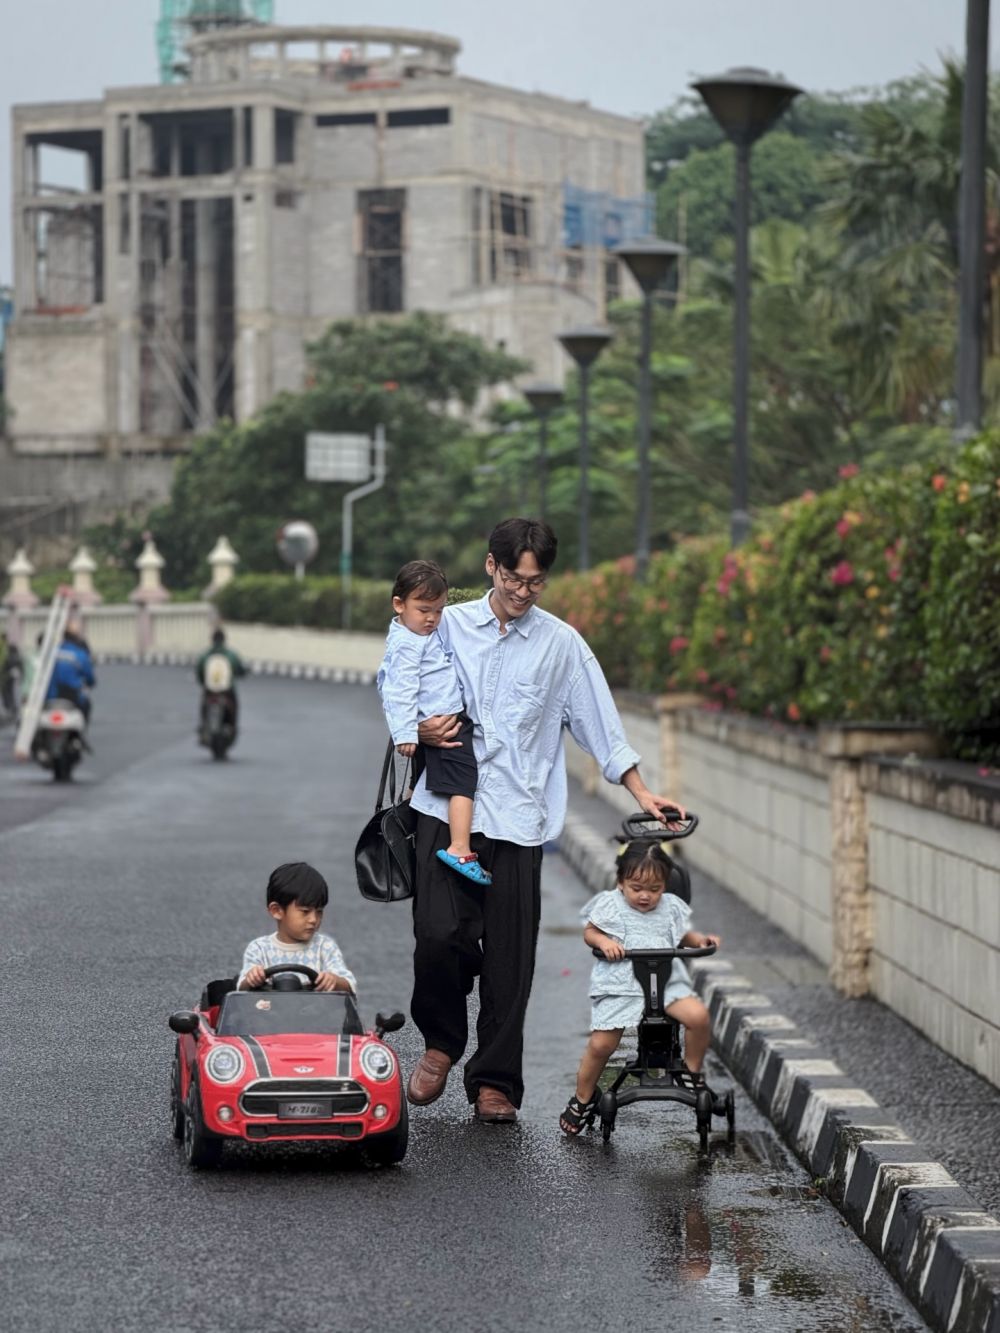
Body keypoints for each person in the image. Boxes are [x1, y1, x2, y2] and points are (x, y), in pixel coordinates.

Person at [405, 517, 685, 1125]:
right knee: (438, 935)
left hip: (519, 819)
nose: (523, 591)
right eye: (513, 578)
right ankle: (442, 1041)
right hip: (445, 807)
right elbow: (397, 677)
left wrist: (641, 792)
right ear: (491, 567)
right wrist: (415, 727)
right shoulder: (446, 626)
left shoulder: (563, 646)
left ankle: (494, 1080)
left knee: (510, 960)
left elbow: (600, 726)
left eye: (535, 582)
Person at [558, 837, 720, 1136]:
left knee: (698, 1017)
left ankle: (691, 1070)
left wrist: (700, 941)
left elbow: (683, 934)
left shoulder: (670, 907)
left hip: (665, 983)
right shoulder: (610, 904)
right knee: (601, 1044)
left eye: (654, 889)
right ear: (621, 882)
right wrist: (603, 941)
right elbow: (590, 932)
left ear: (664, 885)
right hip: (622, 983)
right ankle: (583, 1097)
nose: (645, 896)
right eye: (637, 888)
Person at [377, 559, 490, 886]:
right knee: (464, 781)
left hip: (439, 721)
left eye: (439, 611)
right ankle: (460, 848)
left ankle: (413, 815)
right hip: (445, 728)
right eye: (424, 610)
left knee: (421, 783)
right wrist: (405, 733)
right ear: (399, 604)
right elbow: (398, 690)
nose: (432, 618)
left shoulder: (415, 634)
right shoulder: (406, 644)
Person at [238, 861, 357, 993]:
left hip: (316, 1006)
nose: (313, 919)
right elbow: (242, 990)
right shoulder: (259, 949)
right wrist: (252, 979)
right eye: (305, 912)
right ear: (277, 911)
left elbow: (349, 986)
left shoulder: (325, 947)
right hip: (270, 1006)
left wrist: (334, 981)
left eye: (319, 912)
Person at [196, 627, 246, 733]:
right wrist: (242, 673)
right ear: (224, 640)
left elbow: (199, 671)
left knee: (204, 703)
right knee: (234, 705)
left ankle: (203, 724)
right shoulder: (231, 655)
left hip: (210, 689)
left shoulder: (205, 655)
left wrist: (202, 682)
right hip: (227, 690)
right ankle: (232, 727)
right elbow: (239, 669)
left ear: (212, 640)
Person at [46, 622, 95, 723]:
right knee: (86, 705)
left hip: (51, 696)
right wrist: (91, 682)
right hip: (72, 697)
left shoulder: (52, 652)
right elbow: (89, 677)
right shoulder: (80, 654)